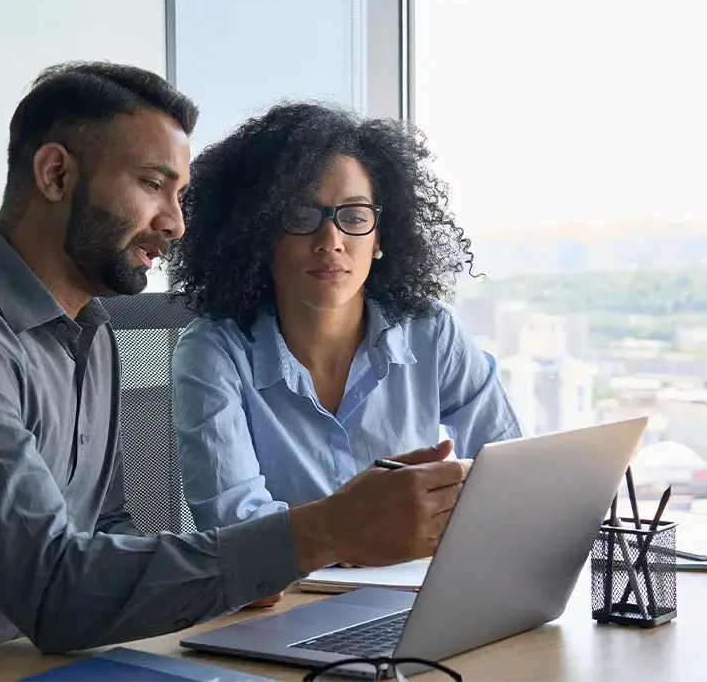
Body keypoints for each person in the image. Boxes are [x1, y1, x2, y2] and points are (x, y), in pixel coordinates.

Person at [0, 62, 467, 656]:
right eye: (151, 184)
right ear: (56, 174)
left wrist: (232, 573)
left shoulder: (90, 330)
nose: (174, 224)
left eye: (180, 195)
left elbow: (107, 531)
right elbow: (56, 591)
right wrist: (321, 532)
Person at [167, 103, 523, 542]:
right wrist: (368, 532)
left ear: (379, 238)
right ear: (258, 234)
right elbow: (236, 529)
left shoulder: (432, 332)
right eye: (301, 216)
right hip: (286, 602)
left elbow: (510, 472)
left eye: (354, 217)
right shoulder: (213, 351)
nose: (331, 241)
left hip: (415, 591)